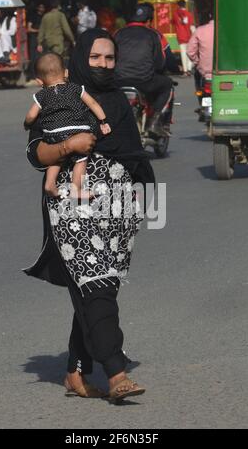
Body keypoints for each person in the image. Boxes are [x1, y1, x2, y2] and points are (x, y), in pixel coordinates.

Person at [24, 29, 155, 402]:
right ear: (81, 57)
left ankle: (74, 372)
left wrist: (140, 203)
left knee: (100, 286)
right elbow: (35, 153)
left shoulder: (116, 100)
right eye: (95, 57)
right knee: (95, 283)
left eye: (109, 58)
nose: (103, 64)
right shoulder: (59, 97)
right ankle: (116, 373)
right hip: (72, 204)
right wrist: (69, 145)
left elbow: (133, 155)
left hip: (117, 208)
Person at [24, 52, 111, 199]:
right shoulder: (76, 89)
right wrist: (103, 121)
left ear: (39, 81)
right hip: (77, 131)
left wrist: (27, 123)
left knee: (56, 158)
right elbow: (93, 104)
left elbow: (31, 115)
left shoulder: (41, 95)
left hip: (52, 132)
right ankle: (76, 189)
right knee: (81, 160)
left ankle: (50, 183)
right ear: (66, 73)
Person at [114, 3, 173, 136]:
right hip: (144, 81)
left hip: (119, 81)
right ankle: (154, 123)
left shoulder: (118, 33)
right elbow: (159, 63)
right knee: (167, 85)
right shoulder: (153, 34)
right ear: (148, 21)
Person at [187, 13, 214, 92]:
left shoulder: (200, 30)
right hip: (225, 73)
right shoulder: (227, 30)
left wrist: (197, 61)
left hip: (204, 72)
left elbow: (190, 51)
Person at [173, 0, 196, 77]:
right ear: (185, 5)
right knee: (189, 52)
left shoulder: (175, 14)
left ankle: (185, 71)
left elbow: (173, 22)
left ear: (178, 5)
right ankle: (189, 69)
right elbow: (192, 25)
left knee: (183, 53)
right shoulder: (189, 14)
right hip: (189, 36)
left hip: (180, 36)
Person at [26, 3, 45, 82]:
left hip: (43, 39)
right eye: (40, 7)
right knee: (34, 57)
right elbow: (29, 28)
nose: (42, 8)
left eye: (43, 7)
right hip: (34, 38)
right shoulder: (33, 16)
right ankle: (33, 75)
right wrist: (38, 31)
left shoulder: (44, 17)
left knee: (42, 57)